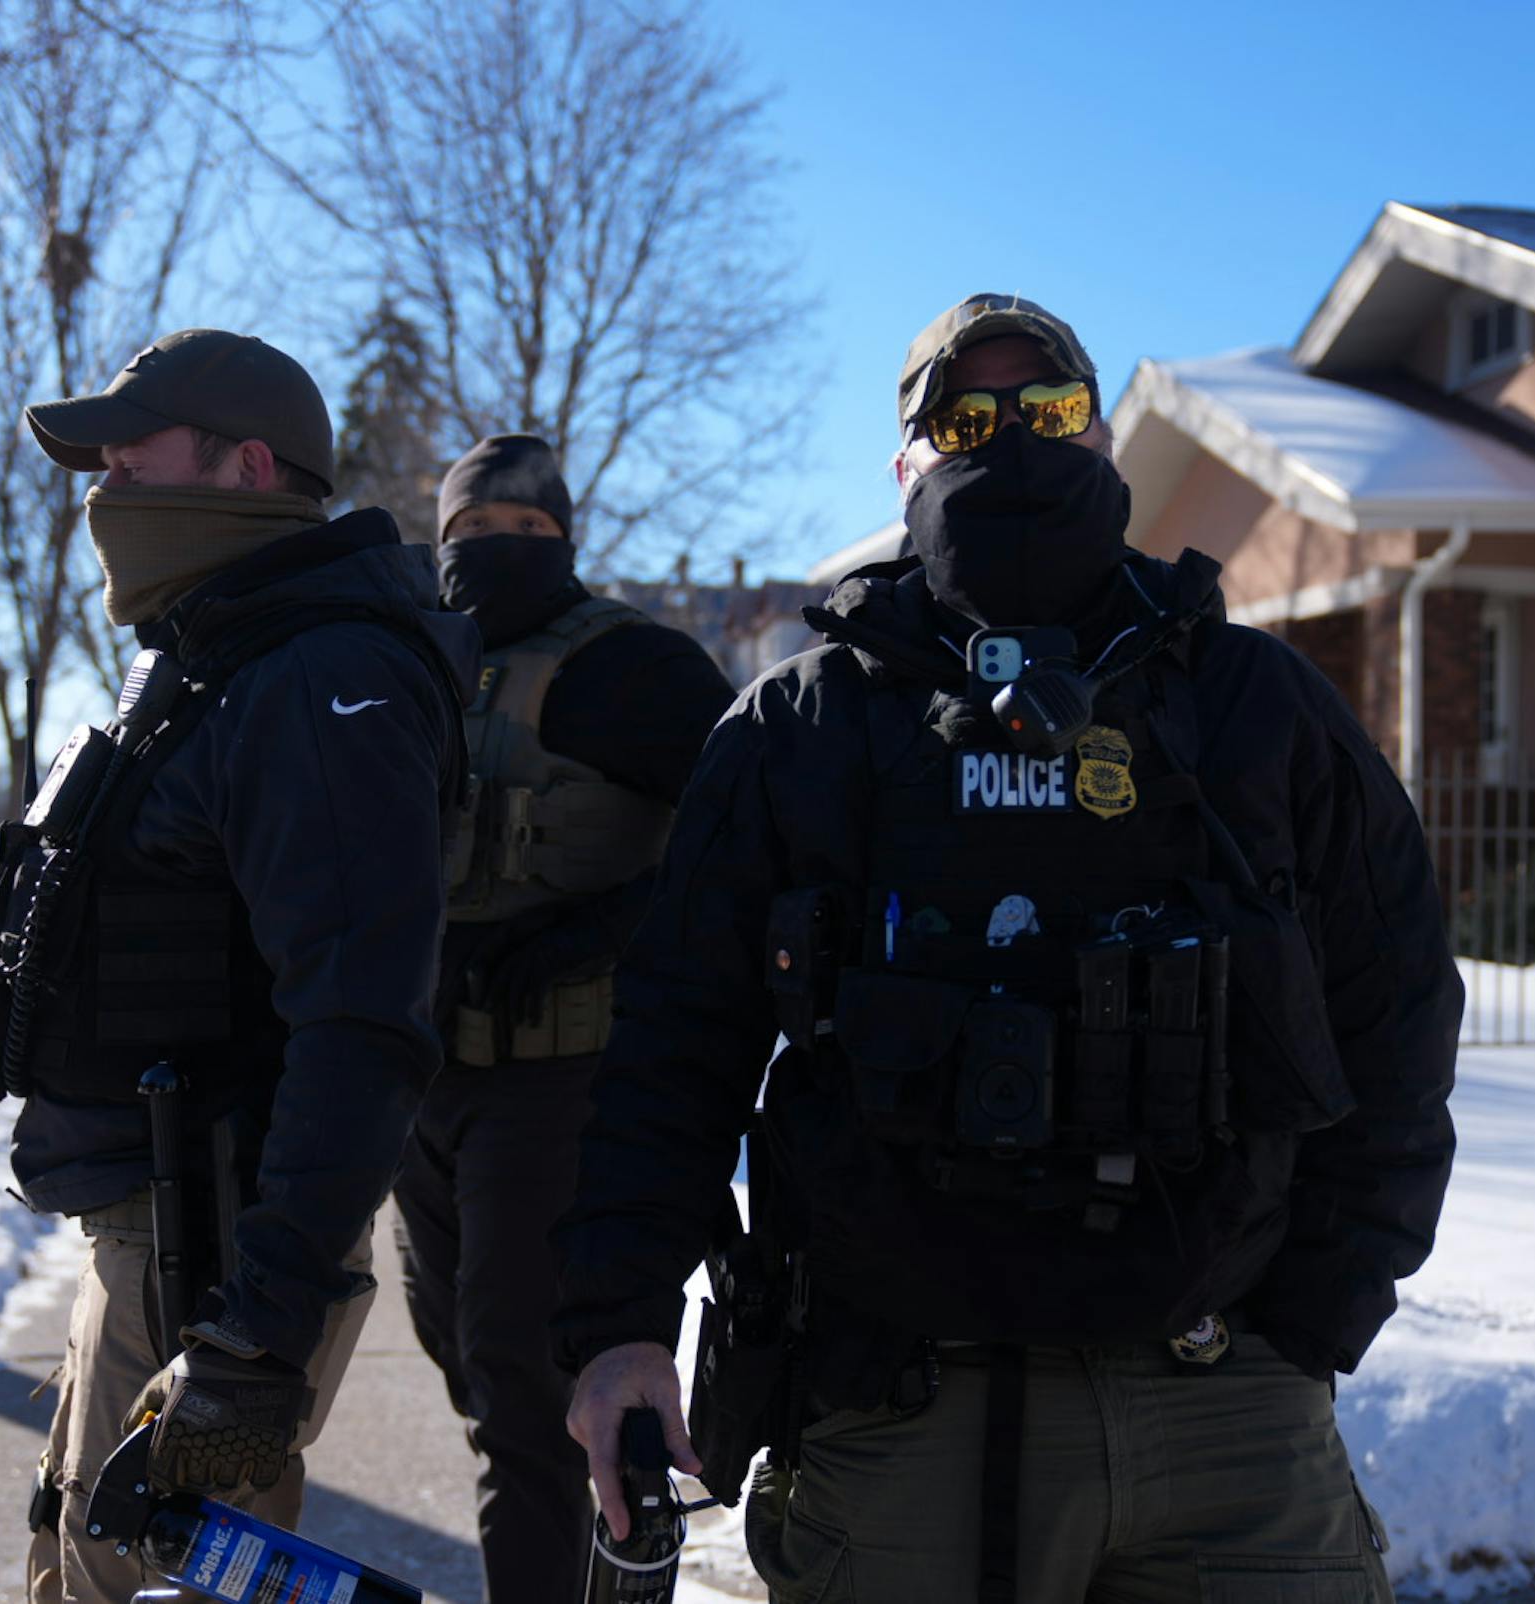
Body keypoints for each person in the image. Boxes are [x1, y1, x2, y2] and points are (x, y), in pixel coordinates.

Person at [553, 294, 1462, 1602]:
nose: (1016, 441)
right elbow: (672, 1042)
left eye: (1049, 409)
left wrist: (1328, 1298)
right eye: (969, 420)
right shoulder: (802, 724)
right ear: (906, 465)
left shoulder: (1250, 701)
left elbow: (1399, 1001)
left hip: (1224, 1408)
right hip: (902, 1413)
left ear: (1102, 438)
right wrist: (621, 1321)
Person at [0, 328, 475, 1604]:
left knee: (136, 1582)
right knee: (77, 1563)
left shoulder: (323, 675)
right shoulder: (224, 655)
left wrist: (258, 1326)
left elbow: (364, 1022)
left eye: (129, 457)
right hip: (161, 1235)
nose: (103, 490)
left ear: (248, 467)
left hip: (218, 1252)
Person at [395, 434, 735, 1599]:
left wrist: (596, 930)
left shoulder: (635, 666)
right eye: (473, 531)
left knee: (528, 1398)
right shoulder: (404, 664)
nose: (499, 549)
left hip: (563, 1078)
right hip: (425, 1077)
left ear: (567, 539)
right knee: (468, 1359)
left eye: (528, 531)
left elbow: (738, 836)